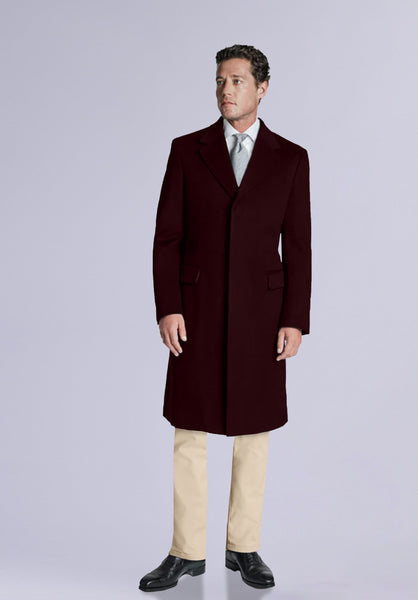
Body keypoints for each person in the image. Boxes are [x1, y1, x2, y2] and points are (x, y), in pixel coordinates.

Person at [139, 44, 312, 592]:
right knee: (189, 429)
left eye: (237, 80)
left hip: (263, 314)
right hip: (196, 310)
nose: (225, 90)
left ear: (262, 88)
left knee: (254, 431)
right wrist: (169, 305)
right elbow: (167, 238)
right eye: (220, 80)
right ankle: (186, 552)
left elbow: (299, 246)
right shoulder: (186, 151)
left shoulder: (290, 158)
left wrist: (295, 318)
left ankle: (244, 546)